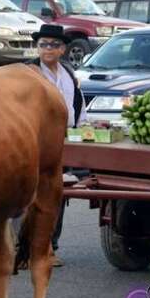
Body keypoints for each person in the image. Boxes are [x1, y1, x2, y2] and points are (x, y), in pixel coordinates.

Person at [26, 24, 88, 268]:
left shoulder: (69, 74)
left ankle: (51, 246)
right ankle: (25, 248)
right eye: (43, 45)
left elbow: (77, 106)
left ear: (63, 49)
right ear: (37, 48)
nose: (48, 49)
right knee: (28, 195)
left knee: (56, 193)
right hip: (35, 139)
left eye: (53, 45)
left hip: (63, 140)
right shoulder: (29, 73)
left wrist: (83, 127)